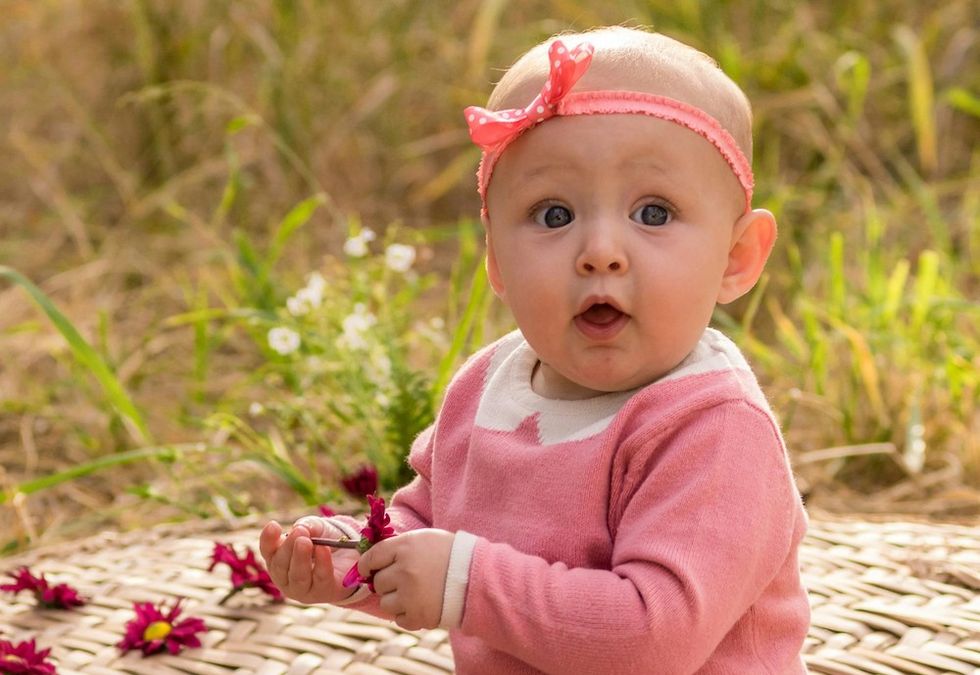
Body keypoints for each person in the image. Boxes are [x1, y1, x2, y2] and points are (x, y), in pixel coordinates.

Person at [259, 25, 810, 674]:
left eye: (653, 213)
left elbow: (653, 636)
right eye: (554, 214)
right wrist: (354, 562)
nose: (600, 250)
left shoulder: (714, 430)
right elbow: (428, 527)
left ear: (736, 256)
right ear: (496, 258)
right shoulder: (485, 387)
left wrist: (465, 582)